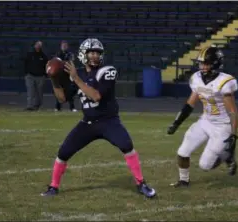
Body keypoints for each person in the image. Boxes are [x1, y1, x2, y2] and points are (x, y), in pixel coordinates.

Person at [41, 38, 156, 198]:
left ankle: (141, 184)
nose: (95, 56)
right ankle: (53, 187)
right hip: (88, 123)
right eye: (92, 52)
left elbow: (96, 96)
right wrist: (54, 80)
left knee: (127, 145)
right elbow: (62, 99)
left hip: (108, 121)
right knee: (63, 152)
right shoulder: (78, 73)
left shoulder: (107, 70)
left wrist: (76, 78)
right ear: (83, 54)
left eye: (97, 53)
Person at [166, 45, 238, 187]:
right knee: (182, 152)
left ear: (215, 64)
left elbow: (232, 112)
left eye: (206, 63)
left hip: (222, 126)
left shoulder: (224, 82)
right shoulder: (197, 79)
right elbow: (190, 104)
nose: (202, 66)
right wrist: (176, 123)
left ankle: (227, 156)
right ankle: (184, 180)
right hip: (205, 121)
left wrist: (233, 135)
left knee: (205, 166)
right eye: (201, 63)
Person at [24, 40, 48, 111]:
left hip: (40, 76)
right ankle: (29, 106)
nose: (38, 46)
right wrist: (26, 73)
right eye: (37, 44)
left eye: (40, 45)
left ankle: (37, 105)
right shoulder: (30, 54)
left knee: (39, 92)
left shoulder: (43, 56)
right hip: (30, 75)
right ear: (34, 45)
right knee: (30, 91)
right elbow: (25, 63)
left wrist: (44, 74)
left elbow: (46, 65)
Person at [54, 40, 77, 112]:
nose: (64, 46)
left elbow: (71, 62)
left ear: (67, 46)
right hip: (60, 75)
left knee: (69, 91)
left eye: (65, 45)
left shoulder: (70, 54)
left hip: (68, 74)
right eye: (63, 45)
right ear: (61, 46)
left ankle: (72, 107)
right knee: (59, 91)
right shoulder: (57, 54)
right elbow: (56, 63)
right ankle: (58, 107)